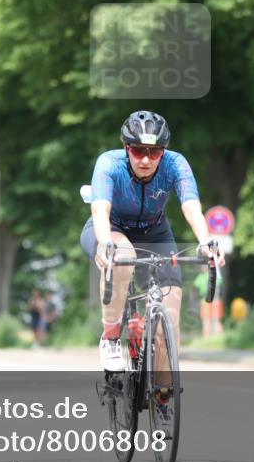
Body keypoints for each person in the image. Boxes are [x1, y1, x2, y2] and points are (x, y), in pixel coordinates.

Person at [81, 110, 224, 386]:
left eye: (154, 152)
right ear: (126, 148)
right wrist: (105, 243)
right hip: (111, 228)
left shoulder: (175, 164)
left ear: (164, 151)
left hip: (155, 233)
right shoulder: (109, 164)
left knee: (168, 314)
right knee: (122, 255)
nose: (145, 159)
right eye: (137, 151)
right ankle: (111, 337)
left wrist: (206, 241)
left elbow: (191, 207)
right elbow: (100, 209)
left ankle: (162, 393)